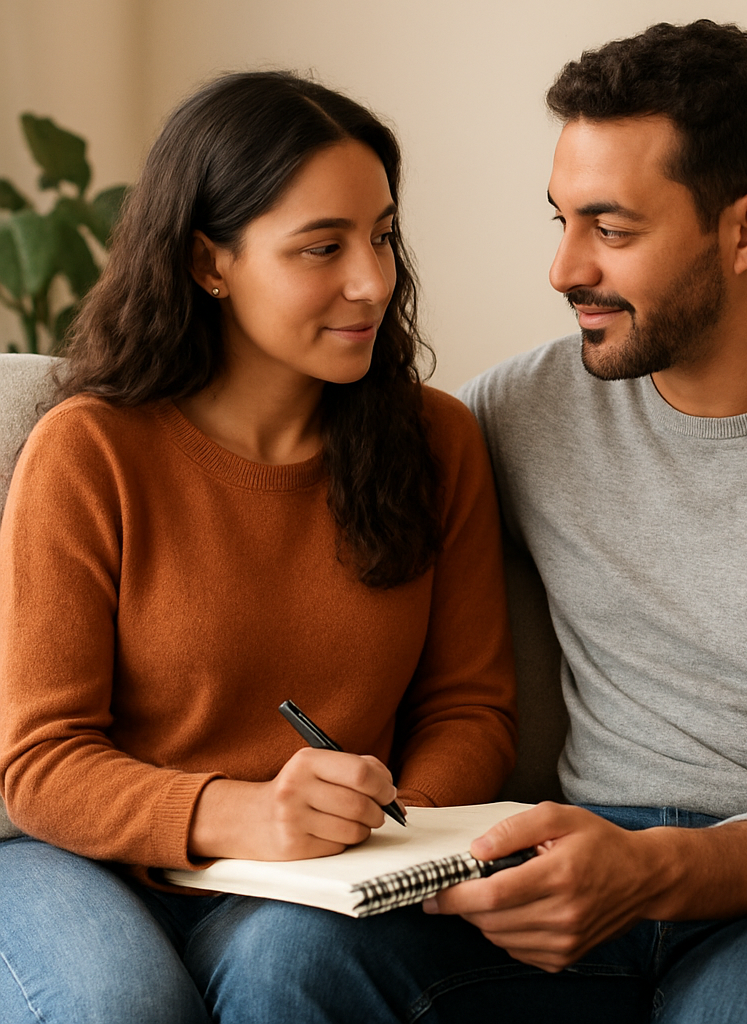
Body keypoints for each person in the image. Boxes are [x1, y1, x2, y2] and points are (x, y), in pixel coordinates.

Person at [310, 20, 747, 1024]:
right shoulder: (520, 409)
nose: (562, 268)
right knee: (295, 960)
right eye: (560, 220)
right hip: (590, 856)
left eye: (611, 230)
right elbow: (297, 470)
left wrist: (657, 869)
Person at [0, 71, 517, 1023]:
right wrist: (239, 814)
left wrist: (390, 829)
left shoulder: (438, 442)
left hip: (319, 873)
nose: (373, 281)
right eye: (323, 247)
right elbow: (41, 762)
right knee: (125, 1004)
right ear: (210, 262)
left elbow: (470, 707)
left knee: (296, 966)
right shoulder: (88, 451)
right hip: (84, 862)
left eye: (382, 235)